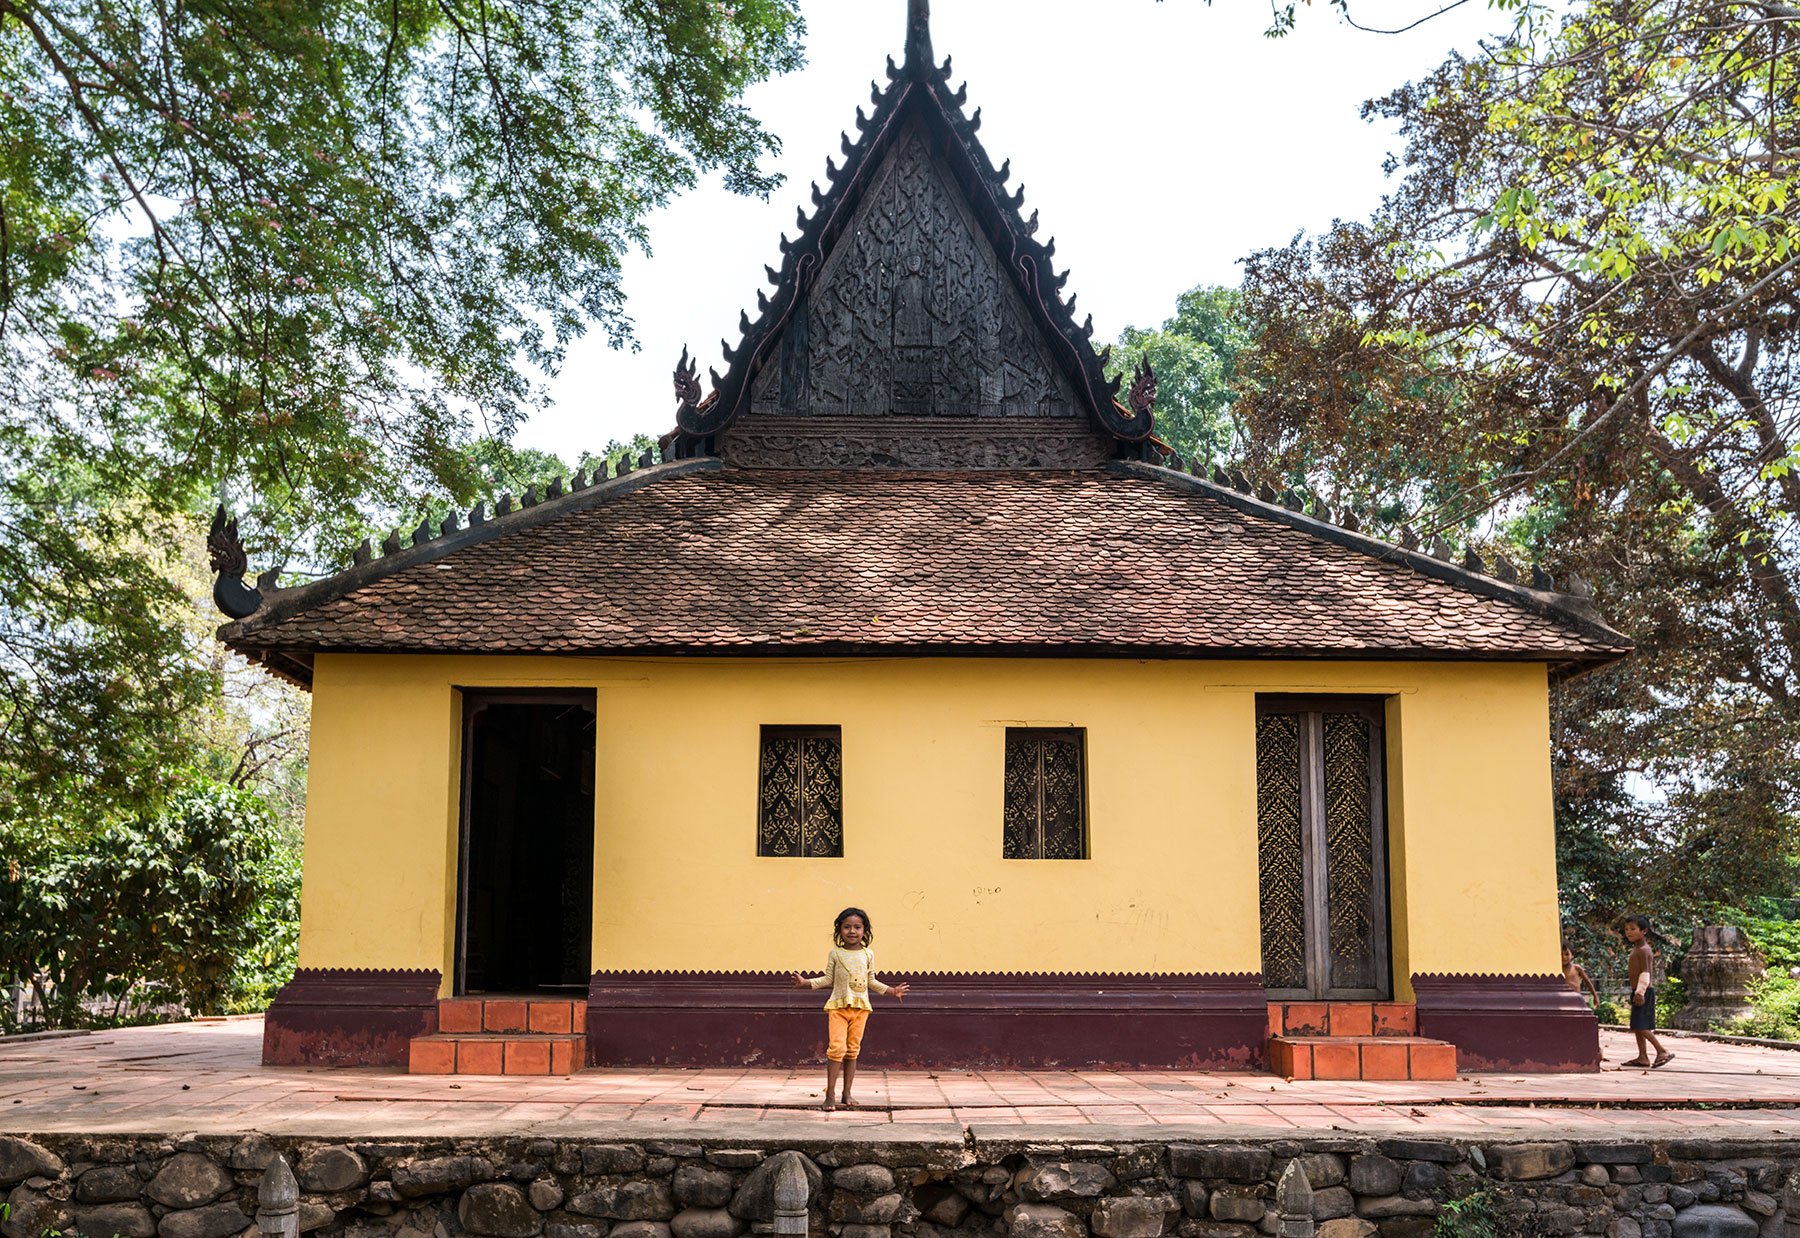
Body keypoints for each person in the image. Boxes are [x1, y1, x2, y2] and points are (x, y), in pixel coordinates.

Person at [790, 906, 909, 1110]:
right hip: (838, 1007)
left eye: (857, 927)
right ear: (839, 930)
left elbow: (871, 980)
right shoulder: (835, 954)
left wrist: (892, 991)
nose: (852, 931)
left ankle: (847, 1093)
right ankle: (830, 1094)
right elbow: (828, 979)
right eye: (847, 927)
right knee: (837, 1049)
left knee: (852, 1051)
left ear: (865, 930)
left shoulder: (868, 954)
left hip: (861, 1009)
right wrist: (805, 983)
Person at [1622, 915, 1674, 1069]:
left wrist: (1640, 992)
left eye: (1633, 929)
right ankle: (1643, 1057)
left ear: (1644, 931)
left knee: (1642, 1026)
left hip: (1643, 991)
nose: (1629, 932)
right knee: (1637, 1026)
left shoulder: (1644, 950)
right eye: (1626, 930)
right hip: (1637, 990)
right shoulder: (1637, 949)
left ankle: (1662, 1051)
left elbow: (1646, 973)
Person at [1563, 942, 1601, 1007]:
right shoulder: (1558, 969)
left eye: (1567, 954)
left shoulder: (1576, 968)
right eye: (1561, 954)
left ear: (1572, 956)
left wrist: (1595, 996)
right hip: (1563, 1000)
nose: (1564, 957)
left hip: (1576, 999)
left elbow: (1587, 981)